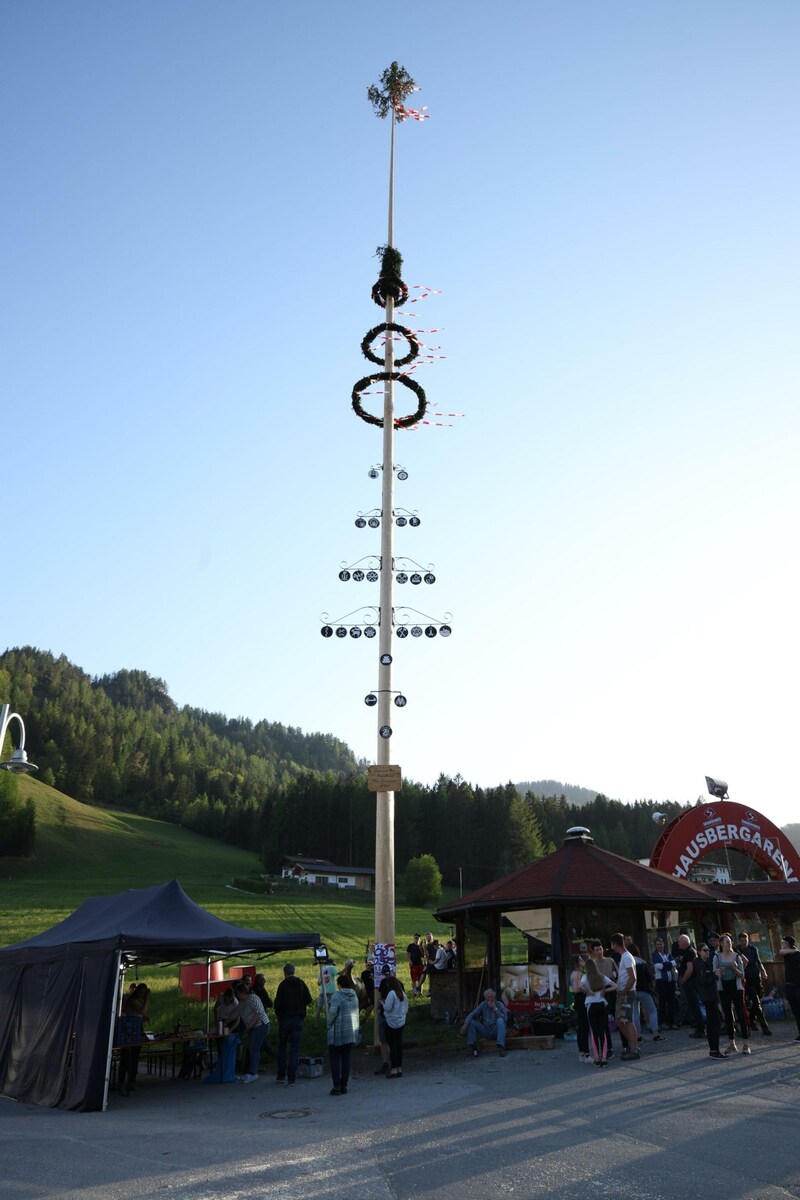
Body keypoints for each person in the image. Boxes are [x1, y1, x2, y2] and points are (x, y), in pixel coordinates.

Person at [273, 962, 312, 1087]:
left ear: (285, 973)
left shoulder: (282, 985)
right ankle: (291, 1078)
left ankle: (281, 1075)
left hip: (284, 1019)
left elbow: (277, 1004)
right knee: (295, 1048)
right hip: (298, 1019)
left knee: (282, 1047)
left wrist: (279, 1015)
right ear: (294, 971)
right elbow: (309, 1000)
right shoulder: (301, 983)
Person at [714, 934, 750, 1056]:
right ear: (721, 944)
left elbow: (742, 975)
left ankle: (745, 1044)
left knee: (741, 1014)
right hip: (724, 988)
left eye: (730, 942)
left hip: (736, 988)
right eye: (727, 942)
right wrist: (719, 973)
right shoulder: (717, 957)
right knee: (728, 1015)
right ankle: (732, 1044)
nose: (729, 944)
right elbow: (715, 973)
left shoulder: (736, 956)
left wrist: (735, 969)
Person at [581, 944, 616, 1066]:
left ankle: (597, 1058)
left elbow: (580, 987)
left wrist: (587, 991)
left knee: (594, 1033)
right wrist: (605, 991)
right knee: (603, 1032)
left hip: (590, 1005)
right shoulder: (601, 976)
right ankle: (604, 1057)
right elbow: (615, 986)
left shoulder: (585, 977)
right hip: (601, 1003)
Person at [327, 973, 360, 1096]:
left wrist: (328, 1025)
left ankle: (336, 1086)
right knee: (346, 1059)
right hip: (350, 1033)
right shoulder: (354, 996)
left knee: (335, 1059)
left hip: (337, 1033)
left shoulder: (337, 996)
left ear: (339, 985)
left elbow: (332, 1014)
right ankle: (344, 1085)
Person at [234, 981, 269, 1082]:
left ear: (242, 992)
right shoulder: (241, 1003)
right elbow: (236, 1014)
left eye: (238, 993)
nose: (237, 995)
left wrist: (250, 1025)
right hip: (252, 1028)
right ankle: (251, 1071)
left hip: (261, 1025)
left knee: (254, 1048)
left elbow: (259, 1012)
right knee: (251, 1048)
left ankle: (254, 1073)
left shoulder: (253, 998)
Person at [737, 932, 771, 1035]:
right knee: (756, 1002)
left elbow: (758, 961)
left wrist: (763, 971)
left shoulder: (753, 949)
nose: (744, 942)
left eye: (745, 940)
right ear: (739, 941)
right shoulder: (737, 950)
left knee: (759, 1000)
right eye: (742, 940)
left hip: (756, 976)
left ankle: (751, 1021)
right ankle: (765, 1027)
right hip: (747, 978)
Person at [611, 933, 639, 1060]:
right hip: (623, 991)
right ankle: (633, 1044)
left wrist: (624, 990)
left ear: (615, 944)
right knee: (619, 1020)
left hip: (627, 992)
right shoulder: (625, 957)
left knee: (628, 1020)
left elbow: (632, 977)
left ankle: (634, 1049)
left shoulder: (627, 957)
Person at [694, 944, 724, 1058]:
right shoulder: (699, 964)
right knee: (714, 1023)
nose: (707, 952)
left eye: (708, 950)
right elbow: (703, 981)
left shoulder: (707, 963)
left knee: (714, 1022)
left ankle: (714, 1049)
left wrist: (715, 973)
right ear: (699, 952)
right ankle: (714, 1050)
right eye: (704, 950)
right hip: (708, 997)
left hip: (711, 996)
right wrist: (715, 975)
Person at [460, 989, 509, 1057]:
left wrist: (495, 1008)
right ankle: (474, 1048)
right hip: (487, 1030)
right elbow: (473, 1013)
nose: (490, 999)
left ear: (494, 997)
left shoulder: (499, 1004)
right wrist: (465, 1024)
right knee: (471, 1022)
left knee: (500, 1020)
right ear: (485, 998)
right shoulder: (483, 1005)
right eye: (488, 997)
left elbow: (505, 1019)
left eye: (492, 997)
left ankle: (501, 1047)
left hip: (497, 1031)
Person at [676, 934, 705, 1038]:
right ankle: (699, 1027)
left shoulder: (689, 952)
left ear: (685, 942)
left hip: (690, 982)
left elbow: (690, 968)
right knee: (693, 1004)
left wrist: (683, 980)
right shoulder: (686, 951)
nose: (678, 943)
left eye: (679, 941)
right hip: (690, 981)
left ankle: (700, 1028)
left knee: (694, 1004)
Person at [629, 944, 661, 1041]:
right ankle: (655, 1033)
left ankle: (638, 1035)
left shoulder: (628, 962)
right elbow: (649, 977)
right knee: (652, 1010)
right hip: (644, 990)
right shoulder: (642, 962)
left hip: (633, 990)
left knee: (635, 1012)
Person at [381, 976, 409, 1078]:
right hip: (401, 1021)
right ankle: (399, 1067)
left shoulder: (391, 994)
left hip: (391, 1022)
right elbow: (406, 1008)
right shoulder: (402, 993)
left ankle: (393, 1069)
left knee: (392, 1046)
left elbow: (388, 1008)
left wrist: (382, 1004)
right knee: (398, 1045)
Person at [652, 937, 678, 1029]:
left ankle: (673, 1022)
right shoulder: (655, 955)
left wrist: (665, 965)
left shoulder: (668, 953)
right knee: (663, 1001)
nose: (660, 946)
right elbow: (658, 966)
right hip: (661, 981)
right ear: (655, 946)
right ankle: (664, 1021)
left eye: (661, 944)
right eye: (658, 944)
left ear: (664, 944)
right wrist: (669, 964)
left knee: (671, 1001)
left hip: (671, 980)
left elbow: (674, 963)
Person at [777, 934, 800, 1038]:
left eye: (784, 943)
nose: (783, 945)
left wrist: (796, 951)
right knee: (796, 1012)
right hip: (789, 986)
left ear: (789, 944)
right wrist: (794, 950)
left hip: (798, 986)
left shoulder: (798, 955)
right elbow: (780, 952)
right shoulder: (787, 954)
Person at [569, 954, 590, 1063]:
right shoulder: (577, 973)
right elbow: (577, 988)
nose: (583, 961)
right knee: (584, 1026)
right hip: (581, 999)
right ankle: (586, 1053)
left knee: (582, 1026)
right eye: (581, 960)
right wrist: (587, 990)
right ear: (577, 962)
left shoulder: (575, 973)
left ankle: (582, 1052)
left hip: (579, 999)